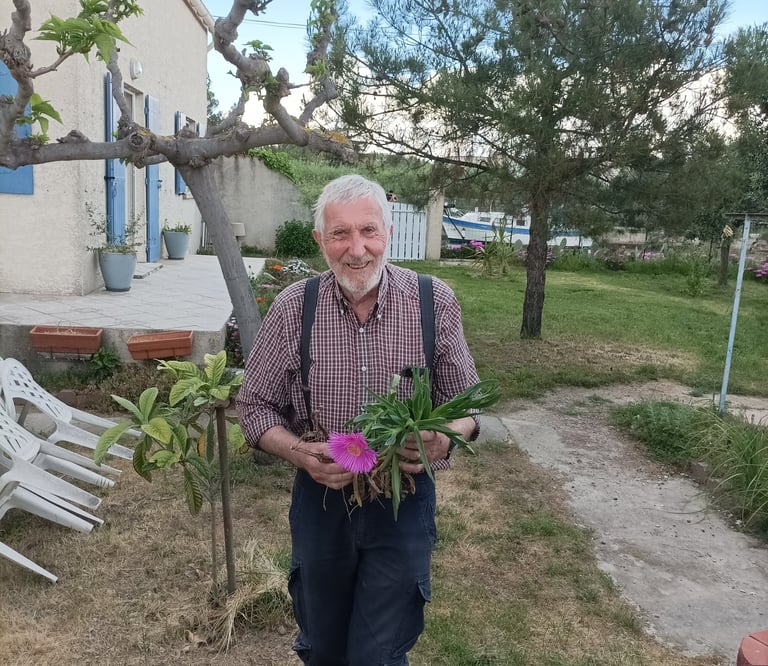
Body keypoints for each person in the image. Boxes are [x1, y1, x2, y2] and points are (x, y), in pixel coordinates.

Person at [236, 174, 480, 665]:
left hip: (403, 498)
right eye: (340, 234)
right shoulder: (293, 308)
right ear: (319, 240)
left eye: (368, 230)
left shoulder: (432, 302)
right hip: (322, 500)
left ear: (388, 232)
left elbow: (467, 406)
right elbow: (254, 406)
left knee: (379, 653)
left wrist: (446, 438)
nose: (357, 249)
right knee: (323, 647)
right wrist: (299, 453)